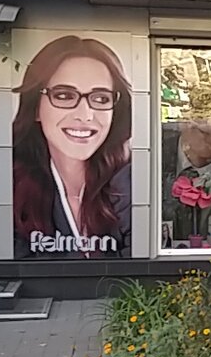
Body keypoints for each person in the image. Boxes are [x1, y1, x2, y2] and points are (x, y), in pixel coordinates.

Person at [12, 36, 132, 258]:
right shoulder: (11, 186)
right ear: (35, 108)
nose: (85, 115)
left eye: (101, 99)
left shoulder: (130, 182)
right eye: (64, 96)